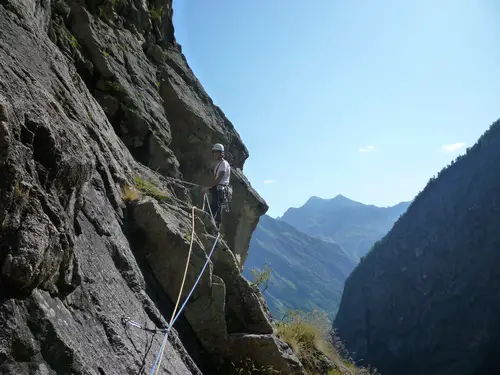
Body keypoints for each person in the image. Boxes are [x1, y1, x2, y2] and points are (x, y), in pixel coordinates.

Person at [203, 143, 231, 230]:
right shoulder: (222, 163)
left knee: (213, 210)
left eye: (217, 152)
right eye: (214, 152)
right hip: (220, 190)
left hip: (220, 190)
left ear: (221, 153)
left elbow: (219, 178)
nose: (215, 154)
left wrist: (209, 187)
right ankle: (214, 228)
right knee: (216, 211)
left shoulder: (223, 164)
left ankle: (209, 228)